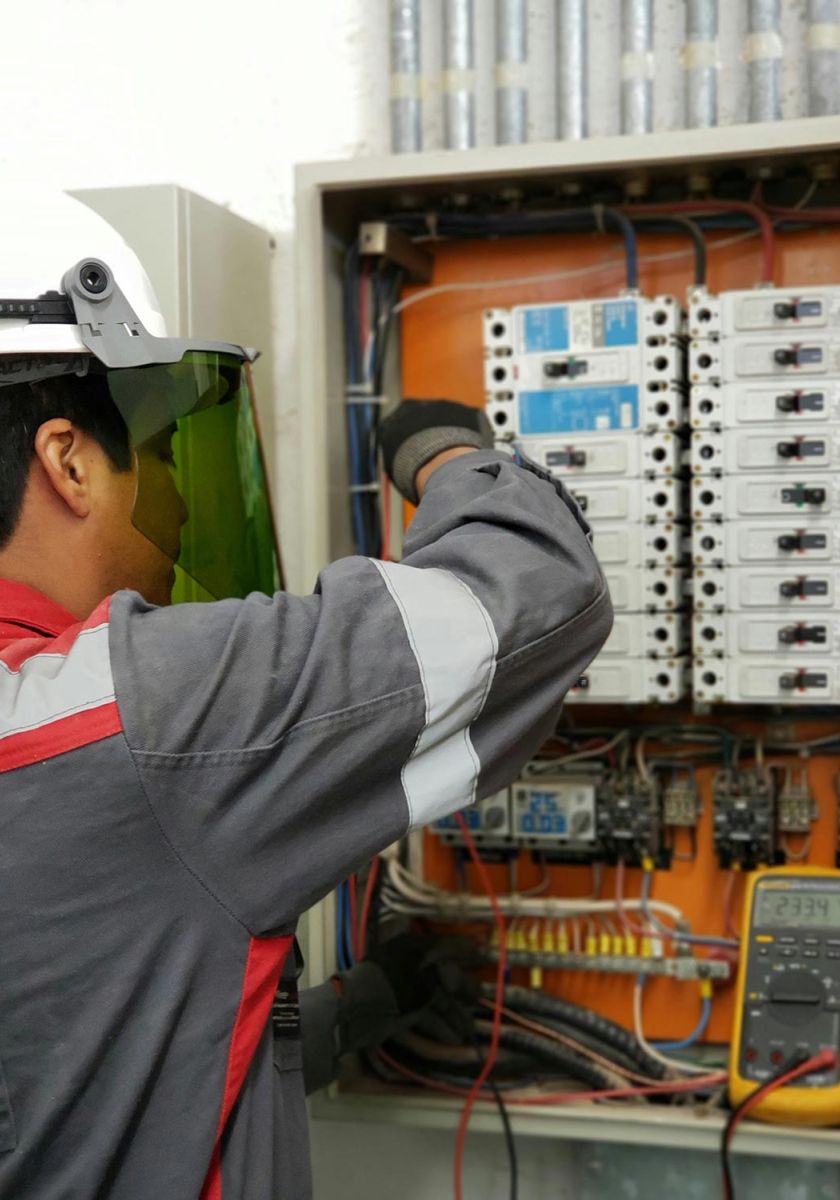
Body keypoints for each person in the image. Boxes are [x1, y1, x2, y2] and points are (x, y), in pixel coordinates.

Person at [0, 188, 612, 1200]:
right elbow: (540, 596)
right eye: (154, 457)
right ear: (67, 460)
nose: (182, 498)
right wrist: (450, 453)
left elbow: (92, 1082)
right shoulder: (139, 715)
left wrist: (364, 1007)